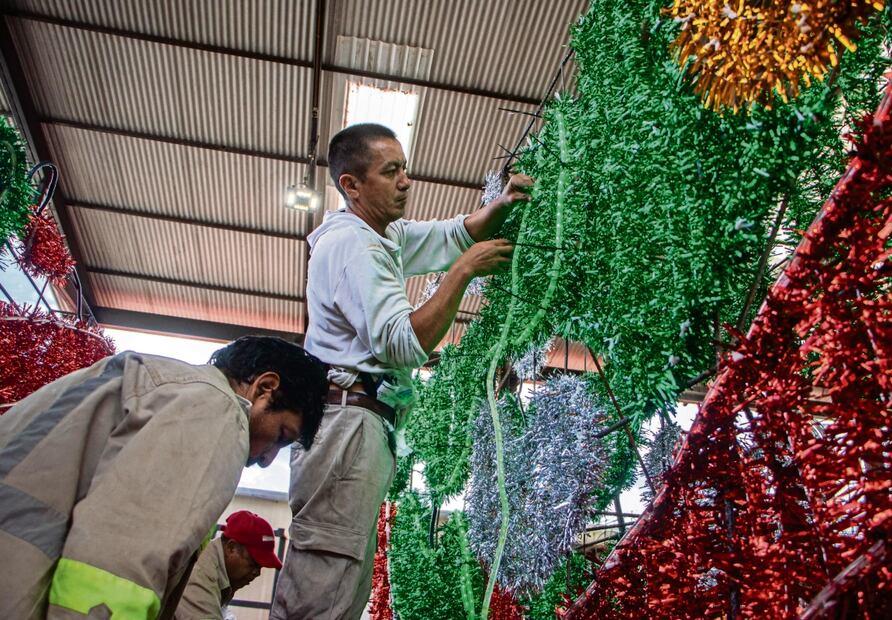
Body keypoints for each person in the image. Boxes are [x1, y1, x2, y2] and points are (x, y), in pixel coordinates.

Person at [270, 123, 532, 619]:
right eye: (391, 172)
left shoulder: (379, 234)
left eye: (404, 168)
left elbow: (446, 237)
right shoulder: (355, 246)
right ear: (352, 185)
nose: (406, 181)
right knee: (327, 573)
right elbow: (402, 342)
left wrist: (497, 209)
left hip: (360, 423)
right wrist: (462, 274)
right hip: (345, 423)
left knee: (344, 575)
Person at [0, 336, 328, 620]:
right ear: (264, 389)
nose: (268, 459)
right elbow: (117, 567)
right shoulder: (216, 411)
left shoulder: (165, 384)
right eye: (281, 435)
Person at [174, 510, 282, 620]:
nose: (257, 573)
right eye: (253, 563)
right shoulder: (202, 576)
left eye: (260, 567)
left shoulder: (223, 573)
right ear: (231, 548)